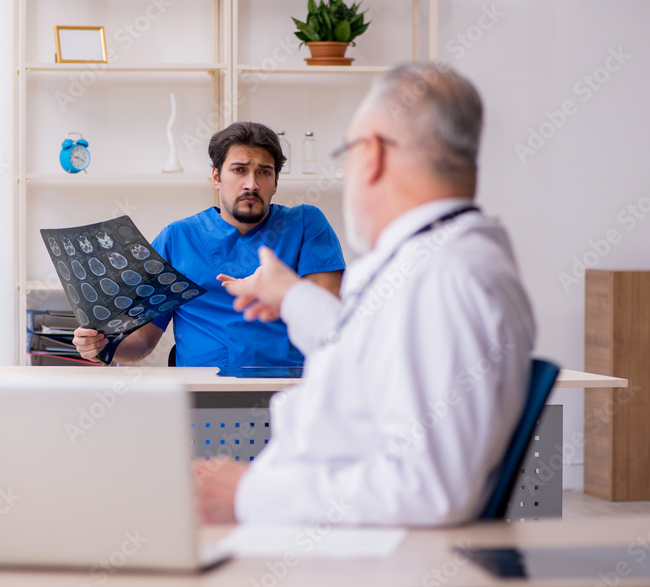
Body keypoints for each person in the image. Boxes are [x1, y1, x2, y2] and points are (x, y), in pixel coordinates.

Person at [195, 63, 536, 526]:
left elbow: (430, 489)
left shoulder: (441, 279)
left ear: (370, 154)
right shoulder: (432, 260)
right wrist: (292, 297)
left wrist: (250, 495)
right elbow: (369, 354)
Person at [73, 122, 345, 373]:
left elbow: (329, 322)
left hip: (289, 388)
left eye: (264, 172)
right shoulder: (177, 238)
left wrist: (282, 289)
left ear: (275, 183)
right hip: (203, 393)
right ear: (216, 177)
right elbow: (142, 341)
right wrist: (100, 347)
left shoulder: (306, 224)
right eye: (239, 170)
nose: (252, 184)